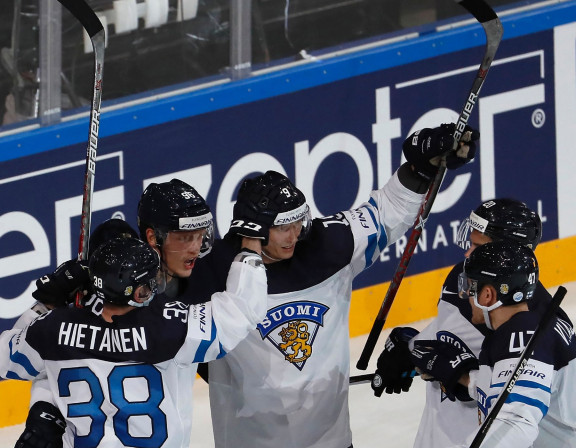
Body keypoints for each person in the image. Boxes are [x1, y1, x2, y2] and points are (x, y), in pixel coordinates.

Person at [180, 123, 479, 448]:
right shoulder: (209, 273)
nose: (295, 235)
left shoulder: (329, 244)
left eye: (299, 222)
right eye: (284, 227)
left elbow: (388, 211)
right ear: (254, 228)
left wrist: (421, 166)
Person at [0, 236, 267, 448]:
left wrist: (47, 303)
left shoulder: (54, 328)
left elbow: (5, 361)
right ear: (139, 290)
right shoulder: (169, 328)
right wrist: (250, 251)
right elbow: (241, 311)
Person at [10, 180, 217, 448]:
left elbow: (24, 354)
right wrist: (45, 412)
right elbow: (54, 363)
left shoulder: (190, 284)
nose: (193, 248)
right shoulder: (95, 306)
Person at [370, 198, 551, 448]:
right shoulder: (462, 277)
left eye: (477, 245)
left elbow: (514, 406)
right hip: (436, 434)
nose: (467, 252)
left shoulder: (529, 319)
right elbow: (447, 333)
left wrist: (463, 377)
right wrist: (411, 347)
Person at [411, 240, 576, 447]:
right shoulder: (526, 328)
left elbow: (516, 423)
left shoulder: (521, 337)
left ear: (488, 295)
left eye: (471, 287)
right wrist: (460, 374)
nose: (467, 295)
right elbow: (512, 390)